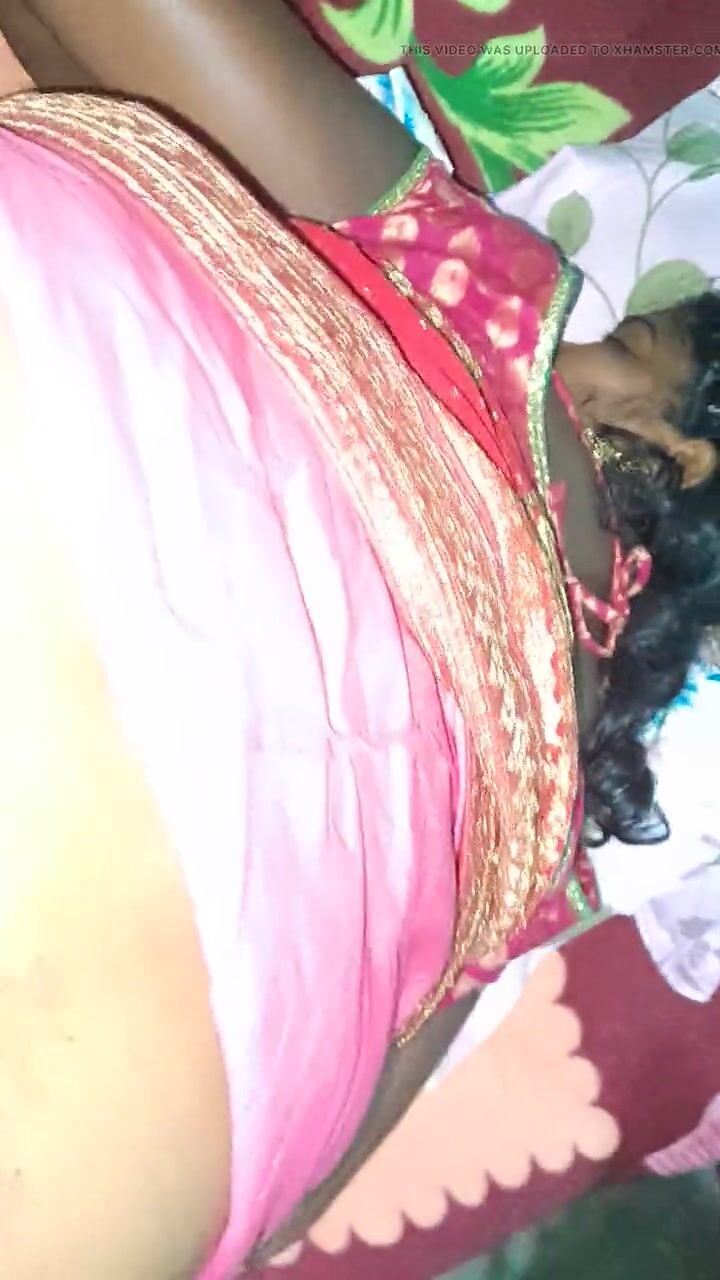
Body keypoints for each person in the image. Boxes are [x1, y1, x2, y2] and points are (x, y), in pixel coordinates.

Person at [0, 11, 718, 1280]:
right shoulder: (548, 843)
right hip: (181, 1144)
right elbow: (287, 1211)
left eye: (627, 340)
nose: (586, 333)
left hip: (92, 585)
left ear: (684, 448)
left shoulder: (495, 306)